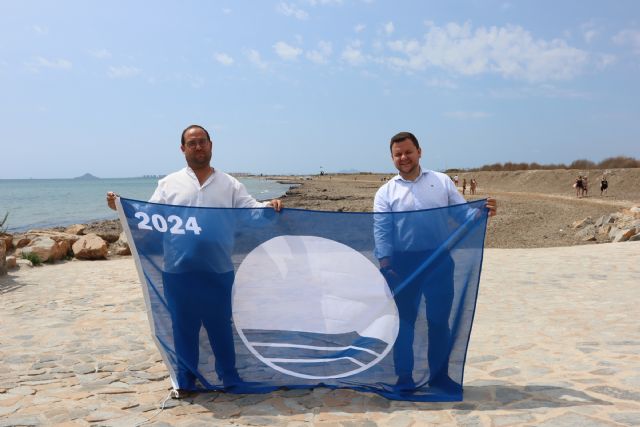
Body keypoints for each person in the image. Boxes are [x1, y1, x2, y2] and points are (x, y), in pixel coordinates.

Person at [107, 125, 283, 394]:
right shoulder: (168, 184)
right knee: (183, 327)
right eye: (192, 143)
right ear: (183, 149)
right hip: (178, 271)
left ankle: (230, 377)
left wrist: (269, 207)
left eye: (202, 142)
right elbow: (149, 214)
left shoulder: (230, 184)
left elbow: (251, 210)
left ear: (211, 145)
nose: (198, 147)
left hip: (218, 270)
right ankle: (186, 378)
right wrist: (123, 207)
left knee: (220, 326)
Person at [373, 131, 496, 393]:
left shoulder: (441, 182)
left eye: (408, 151)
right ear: (392, 158)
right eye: (398, 154)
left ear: (419, 152)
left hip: (439, 261)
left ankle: (439, 377)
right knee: (403, 323)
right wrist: (385, 264)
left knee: (439, 322)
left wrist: (483, 212)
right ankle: (404, 379)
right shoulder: (385, 192)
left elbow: (463, 215)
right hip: (403, 266)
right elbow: (382, 229)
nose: (404, 157)